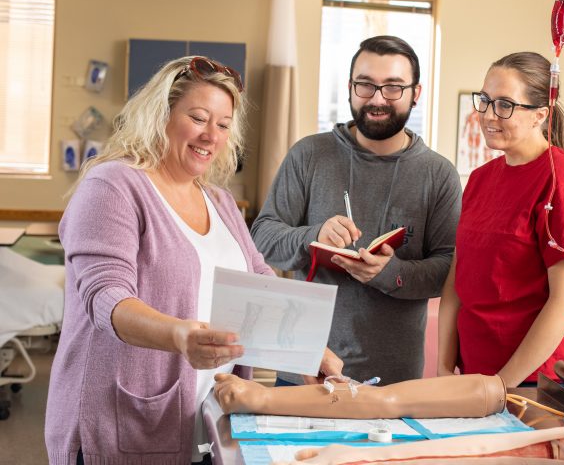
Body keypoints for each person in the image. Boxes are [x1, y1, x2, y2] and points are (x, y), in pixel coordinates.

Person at [44, 56, 342, 465]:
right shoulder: (113, 185)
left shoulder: (219, 201)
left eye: (222, 125)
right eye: (199, 117)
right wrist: (180, 337)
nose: (211, 135)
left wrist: (309, 351)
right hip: (119, 423)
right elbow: (106, 298)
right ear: (161, 116)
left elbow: (259, 280)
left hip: (205, 421)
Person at [251, 35, 462, 386]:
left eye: (393, 87)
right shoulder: (308, 155)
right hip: (305, 368)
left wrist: (390, 273)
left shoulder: (438, 174)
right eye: (365, 85)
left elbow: (449, 270)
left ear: (416, 93)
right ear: (350, 87)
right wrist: (312, 236)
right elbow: (262, 237)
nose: (377, 99)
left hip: (395, 379)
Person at [438, 51, 564, 388]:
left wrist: (501, 385)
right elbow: (457, 279)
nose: (488, 115)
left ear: (540, 114)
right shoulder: (481, 180)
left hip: (532, 384)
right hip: (473, 379)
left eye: (505, 105)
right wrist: (443, 366)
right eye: (485, 100)